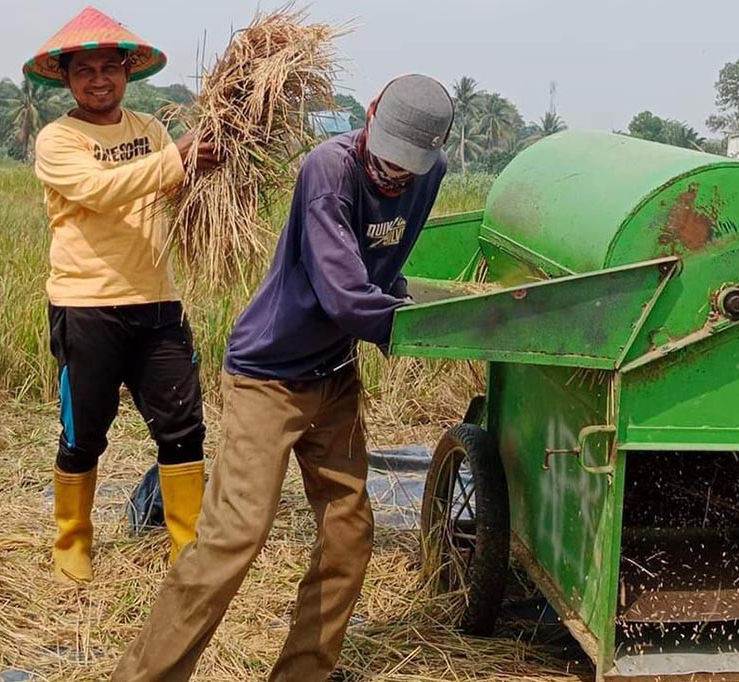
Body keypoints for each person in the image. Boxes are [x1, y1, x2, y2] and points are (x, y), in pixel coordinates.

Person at [113, 74, 454, 682]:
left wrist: (402, 298)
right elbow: (347, 295)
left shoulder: (429, 174)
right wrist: (429, 326)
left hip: (335, 376)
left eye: (408, 169)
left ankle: (303, 674)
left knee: (349, 534)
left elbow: (385, 267)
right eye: (387, 161)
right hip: (268, 376)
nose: (393, 177)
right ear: (369, 113)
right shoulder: (330, 169)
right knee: (232, 538)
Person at [23, 6, 219, 583]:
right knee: (84, 431)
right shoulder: (58, 139)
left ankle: (187, 548)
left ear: (128, 72)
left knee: (183, 428)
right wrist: (175, 159)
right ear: (66, 78)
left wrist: (207, 163)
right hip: (86, 307)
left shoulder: (150, 131)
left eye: (111, 67)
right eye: (86, 70)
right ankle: (73, 542)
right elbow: (100, 191)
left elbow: (174, 182)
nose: (100, 79)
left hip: (157, 305)